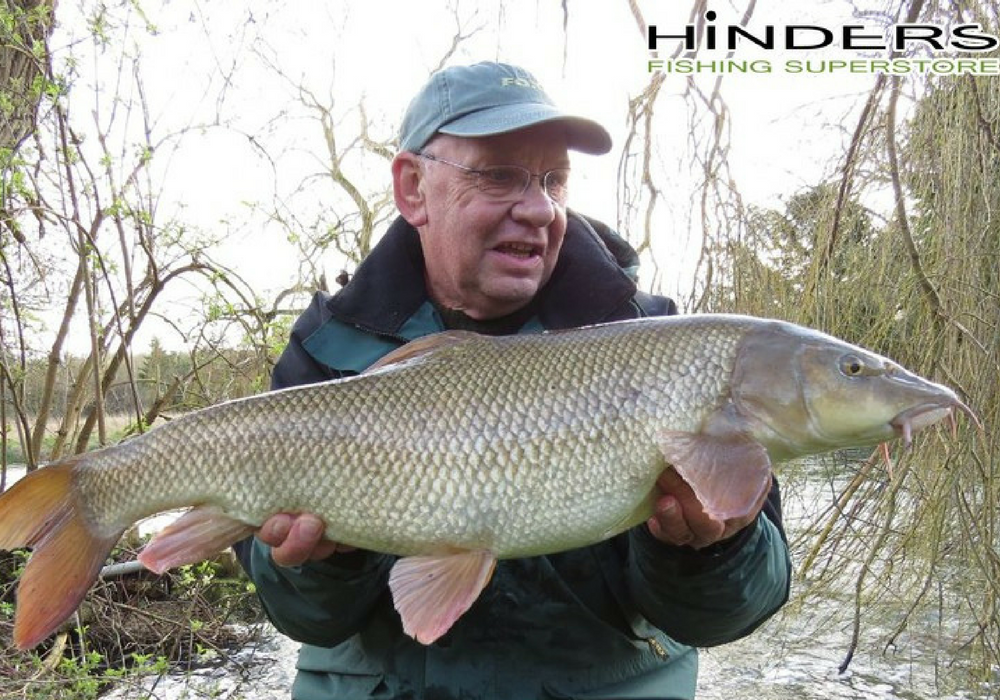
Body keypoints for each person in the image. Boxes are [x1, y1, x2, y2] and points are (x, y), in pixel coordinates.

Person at [235, 61, 790, 700]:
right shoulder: (326, 350)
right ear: (413, 187)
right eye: (499, 176)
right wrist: (325, 564)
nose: (539, 208)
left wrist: (709, 550)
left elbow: (732, 615)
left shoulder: (664, 346)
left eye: (554, 180)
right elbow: (303, 618)